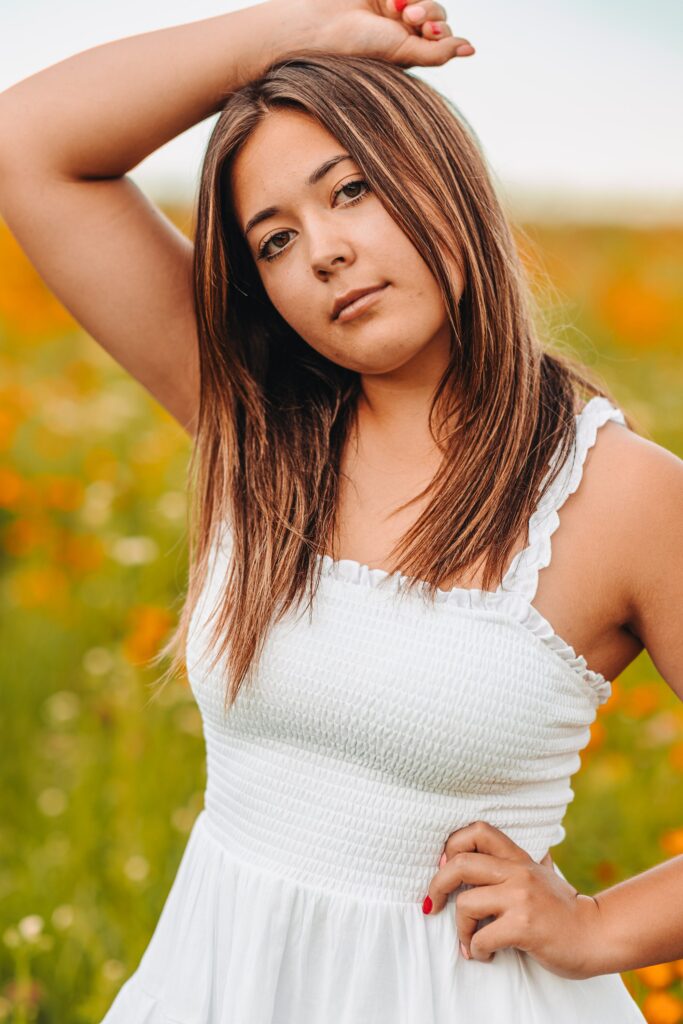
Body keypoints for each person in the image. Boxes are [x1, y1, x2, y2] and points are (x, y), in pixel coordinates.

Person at [0, 0, 681, 1020]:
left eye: (350, 190)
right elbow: (30, 145)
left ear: (441, 178)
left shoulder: (622, 492)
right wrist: (295, 32)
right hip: (215, 985)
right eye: (271, 240)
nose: (319, 252)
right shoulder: (258, 432)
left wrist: (595, 928)